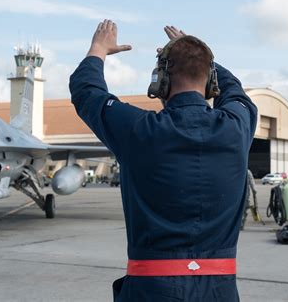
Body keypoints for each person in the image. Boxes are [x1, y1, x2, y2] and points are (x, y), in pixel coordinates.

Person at [69, 20, 257, 301]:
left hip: (152, 290)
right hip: (221, 291)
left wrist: (98, 49)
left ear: (160, 81)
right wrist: (204, 59)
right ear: (210, 82)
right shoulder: (238, 126)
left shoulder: (139, 131)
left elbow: (86, 91)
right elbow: (235, 92)